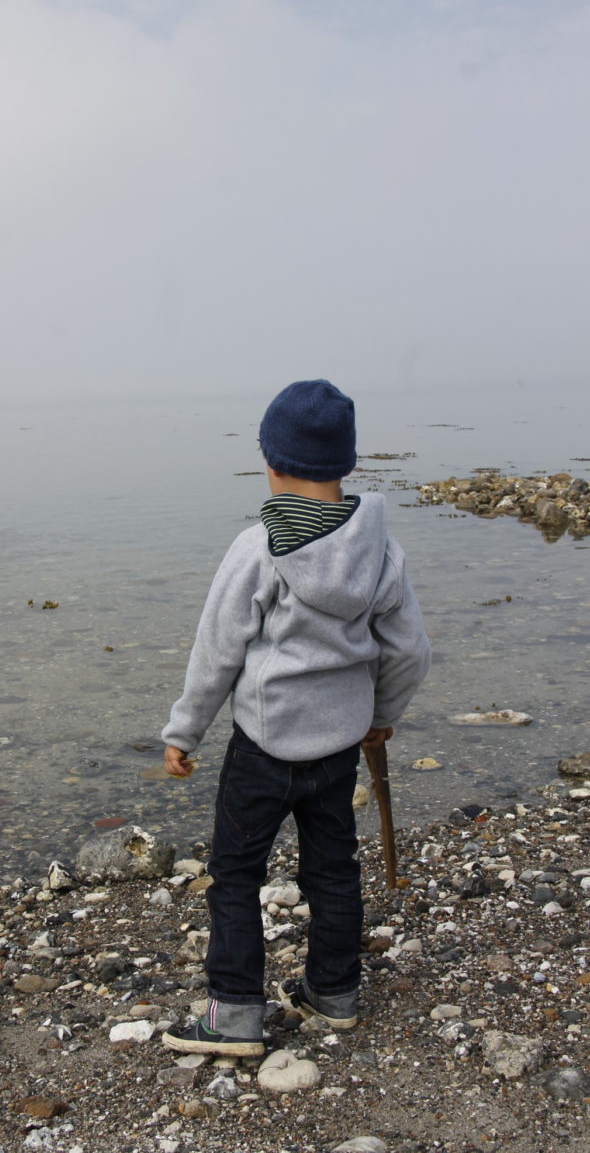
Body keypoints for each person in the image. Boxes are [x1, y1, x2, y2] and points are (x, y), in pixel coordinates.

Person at [160, 379, 431, 1058]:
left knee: (236, 873)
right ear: (345, 464)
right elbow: (409, 652)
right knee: (333, 869)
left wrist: (184, 731)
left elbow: (216, 652)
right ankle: (332, 993)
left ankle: (234, 1016)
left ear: (271, 462)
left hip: (263, 747)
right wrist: (380, 714)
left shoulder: (258, 549)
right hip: (338, 746)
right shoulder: (381, 553)